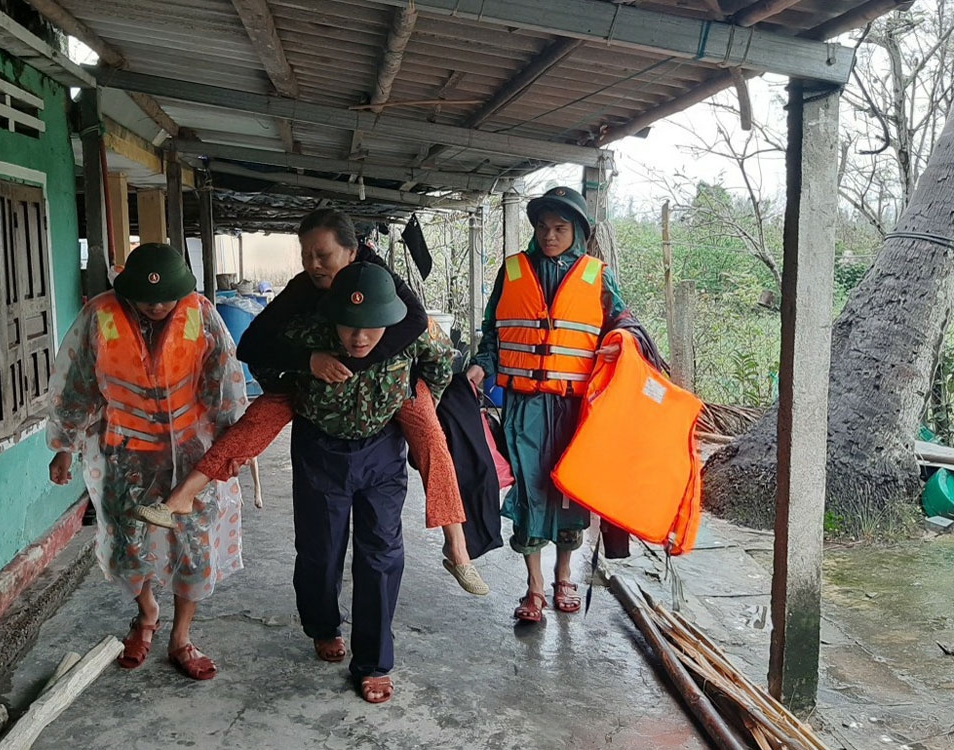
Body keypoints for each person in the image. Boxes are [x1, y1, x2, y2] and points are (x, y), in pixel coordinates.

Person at [145, 209, 488, 596]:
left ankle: (457, 548)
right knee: (256, 424)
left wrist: (403, 386)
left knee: (431, 437)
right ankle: (183, 495)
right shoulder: (305, 295)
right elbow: (255, 346)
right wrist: (302, 367)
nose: (313, 264)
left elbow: (424, 334)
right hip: (312, 388)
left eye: (322, 255)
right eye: (306, 255)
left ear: (352, 251)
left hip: (392, 388)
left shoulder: (381, 282)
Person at [46, 243, 247, 679]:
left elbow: (225, 382)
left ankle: (181, 637)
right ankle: (147, 614)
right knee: (128, 546)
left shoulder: (202, 314)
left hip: (193, 459)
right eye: (146, 297)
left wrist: (233, 446)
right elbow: (76, 384)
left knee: (193, 548)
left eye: (165, 297)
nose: (156, 305)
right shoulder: (100, 317)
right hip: (127, 456)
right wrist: (65, 445)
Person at [466, 186, 656, 621]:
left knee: (570, 492)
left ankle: (563, 577)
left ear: (578, 231)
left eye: (559, 228)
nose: (549, 235)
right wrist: (482, 364)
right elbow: (494, 330)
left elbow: (623, 324)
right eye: (542, 227)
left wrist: (622, 340)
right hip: (524, 407)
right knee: (531, 493)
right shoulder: (513, 271)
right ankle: (533, 588)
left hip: (574, 410)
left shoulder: (597, 275)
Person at [287, 262, 453, 703]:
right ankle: (323, 625)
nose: (359, 338)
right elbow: (265, 359)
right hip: (319, 449)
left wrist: (415, 406)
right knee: (321, 549)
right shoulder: (308, 331)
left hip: (382, 451)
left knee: (381, 552)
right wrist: (307, 365)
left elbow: (443, 364)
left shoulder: (417, 331)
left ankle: (374, 661)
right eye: (349, 326)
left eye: (371, 328)